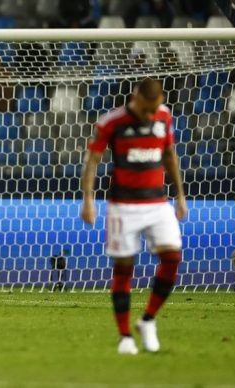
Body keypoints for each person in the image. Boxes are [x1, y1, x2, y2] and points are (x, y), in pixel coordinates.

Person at [80, 78, 188, 355]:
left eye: (156, 109)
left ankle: (148, 319)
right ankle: (125, 336)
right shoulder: (111, 122)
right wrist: (88, 200)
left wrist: (180, 195)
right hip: (123, 206)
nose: (152, 115)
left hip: (157, 203)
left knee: (173, 257)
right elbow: (92, 159)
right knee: (124, 269)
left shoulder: (164, 116)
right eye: (147, 110)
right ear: (136, 98)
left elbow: (169, 154)